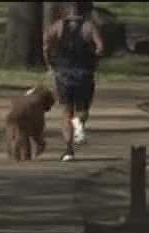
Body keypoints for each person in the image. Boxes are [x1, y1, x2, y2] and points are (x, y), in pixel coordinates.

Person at [43, 1, 106, 162]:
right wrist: (94, 59)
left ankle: (69, 151)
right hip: (84, 73)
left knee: (66, 112)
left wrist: (51, 63)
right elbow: (100, 47)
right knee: (83, 109)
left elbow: (46, 45)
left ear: (65, 11)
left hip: (63, 74)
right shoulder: (89, 27)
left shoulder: (57, 27)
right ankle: (79, 122)